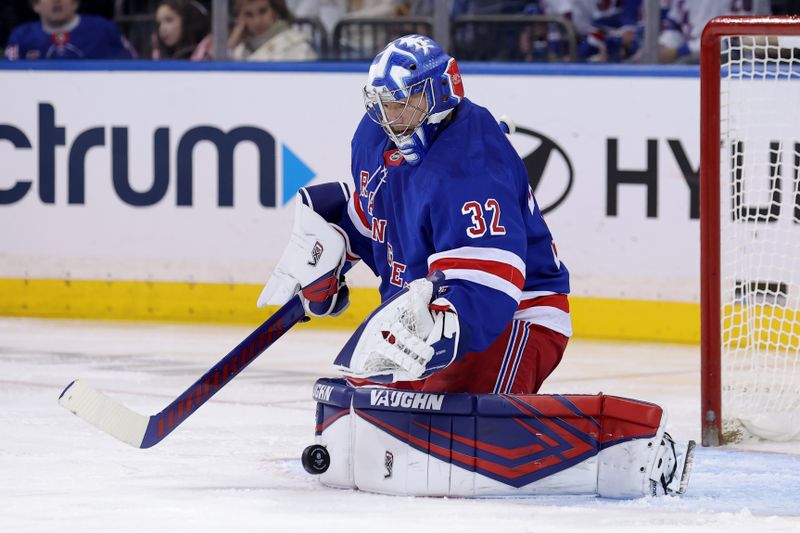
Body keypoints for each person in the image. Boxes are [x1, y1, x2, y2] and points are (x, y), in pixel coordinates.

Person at [263, 35, 694, 499]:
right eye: (383, 103)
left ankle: (625, 444)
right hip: (425, 311)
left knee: (454, 429)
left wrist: (443, 326)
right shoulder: (372, 138)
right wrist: (335, 242)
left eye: (404, 102)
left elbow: (489, 286)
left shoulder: (473, 162)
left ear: (441, 92)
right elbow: (379, 224)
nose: (392, 117)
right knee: (373, 411)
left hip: (515, 315)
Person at [4, 0, 135, 60]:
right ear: (35, 5)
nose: (56, 1)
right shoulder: (21, 37)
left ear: (75, 2)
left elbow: (132, 66)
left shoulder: (103, 29)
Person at [228, 0, 317, 61]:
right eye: (249, 14)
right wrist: (230, 46)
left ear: (275, 11)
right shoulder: (237, 50)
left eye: (263, 11)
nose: (257, 21)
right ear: (240, 18)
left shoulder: (295, 45)